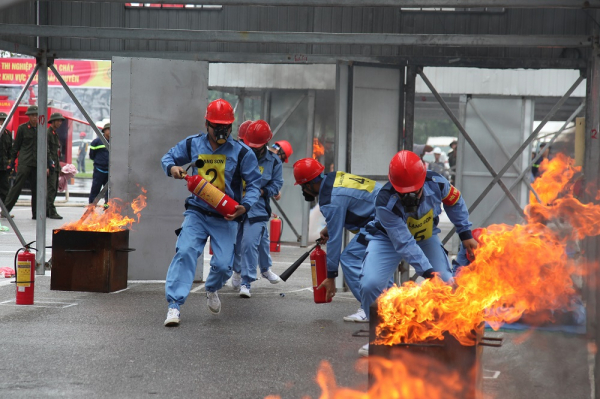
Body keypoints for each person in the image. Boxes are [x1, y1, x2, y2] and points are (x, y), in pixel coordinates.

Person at [358, 150, 478, 356]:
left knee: (447, 282)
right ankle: (378, 336)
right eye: (403, 192)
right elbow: (404, 242)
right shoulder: (384, 202)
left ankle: (446, 336)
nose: (409, 196)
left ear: (423, 180)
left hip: (425, 235)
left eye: (414, 190)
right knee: (370, 284)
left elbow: (455, 203)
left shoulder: (438, 183)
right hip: (387, 239)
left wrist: (465, 232)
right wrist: (429, 273)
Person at [161, 98, 261, 326]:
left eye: (226, 127)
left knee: (224, 265)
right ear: (207, 124)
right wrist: (172, 167)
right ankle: (174, 306)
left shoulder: (243, 153)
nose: (221, 131)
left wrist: (244, 206)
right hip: (197, 212)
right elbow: (167, 158)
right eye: (217, 126)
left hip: (226, 217)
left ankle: (212, 288)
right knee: (185, 252)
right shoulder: (192, 144)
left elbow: (254, 184)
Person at [293, 158, 382, 323]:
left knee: (350, 257)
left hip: (382, 219)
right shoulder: (334, 178)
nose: (303, 190)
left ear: (310, 184)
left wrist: (331, 275)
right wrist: (330, 226)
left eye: (303, 186)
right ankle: (390, 304)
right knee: (373, 262)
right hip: (387, 211)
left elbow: (335, 240)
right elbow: (349, 202)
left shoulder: (329, 200)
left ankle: (370, 308)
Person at [231, 120, 283, 298]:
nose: (253, 150)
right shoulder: (239, 156)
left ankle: (247, 281)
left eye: (257, 146)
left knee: (249, 243)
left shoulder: (274, 162)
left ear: (266, 143)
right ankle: (238, 270)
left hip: (258, 209)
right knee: (238, 243)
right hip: (237, 206)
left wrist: (263, 191)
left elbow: (277, 184)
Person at [3, 105, 47, 219]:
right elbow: (16, 146)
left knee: (37, 189)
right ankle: (5, 211)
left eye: (36, 115)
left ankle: (36, 214)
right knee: (17, 187)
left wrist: (47, 164)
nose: (34, 117)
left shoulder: (42, 128)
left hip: (37, 163)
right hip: (24, 162)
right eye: (32, 115)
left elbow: (45, 147)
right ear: (28, 116)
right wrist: (11, 161)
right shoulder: (22, 128)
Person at [46, 113, 65, 219]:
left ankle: (48, 210)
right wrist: (47, 166)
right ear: (52, 121)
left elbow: (55, 153)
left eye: (60, 121)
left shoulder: (54, 134)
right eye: (58, 120)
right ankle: (51, 211)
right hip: (50, 165)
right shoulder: (48, 133)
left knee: (53, 188)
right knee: (51, 189)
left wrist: (59, 167)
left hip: (55, 165)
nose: (59, 123)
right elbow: (47, 150)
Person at [88, 123, 110, 204]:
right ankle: (92, 206)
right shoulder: (97, 142)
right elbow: (92, 155)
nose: (110, 131)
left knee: (109, 191)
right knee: (95, 188)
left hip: (110, 171)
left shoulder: (114, 142)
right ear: (104, 131)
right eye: (108, 129)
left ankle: (107, 207)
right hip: (99, 170)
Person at [0, 112, 12, 212]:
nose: (2, 122)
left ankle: (4, 211)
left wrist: (10, 162)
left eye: (3, 121)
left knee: (5, 188)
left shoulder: (8, 134)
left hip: (4, 166)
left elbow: (10, 150)